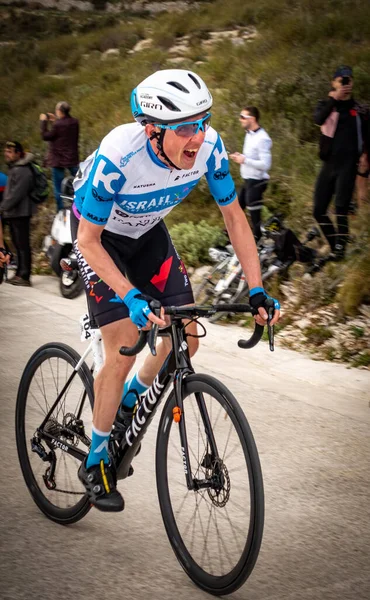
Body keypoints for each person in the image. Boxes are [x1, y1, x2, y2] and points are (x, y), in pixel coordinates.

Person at [72, 69, 280, 512]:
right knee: (126, 340)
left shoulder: (210, 148)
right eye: (185, 127)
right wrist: (129, 294)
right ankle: (95, 461)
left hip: (147, 235)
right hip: (99, 238)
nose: (197, 137)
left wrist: (257, 289)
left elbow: (235, 219)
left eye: (202, 123)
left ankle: (131, 401)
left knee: (185, 335)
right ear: (152, 129)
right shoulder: (119, 157)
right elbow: (88, 241)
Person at [313, 66, 369, 259]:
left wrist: (365, 159)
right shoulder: (326, 104)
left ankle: (340, 251)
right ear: (334, 83)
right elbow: (318, 119)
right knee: (318, 210)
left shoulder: (360, 109)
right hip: (329, 164)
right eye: (342, 80)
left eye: (349, 80)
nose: (346, 84)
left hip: (349, 164)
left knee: (341, 207)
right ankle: (335, 242)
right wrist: (334, 98)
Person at [229, 106, 272, 241]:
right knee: (236, 207)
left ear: (252, 119)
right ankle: (235, 238)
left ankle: (257, 239)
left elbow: (266, 164)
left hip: (258, 181)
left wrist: (245, 160)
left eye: (243, 117)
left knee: (253, 211)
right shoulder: (249, 134)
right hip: (248, 180)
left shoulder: (263, 138)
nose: (240, 119)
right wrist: (241, 157)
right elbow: (251, 158)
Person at [1, 141, 35, 286]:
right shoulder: (15, 168)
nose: (6, 154)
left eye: (10, 152)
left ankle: (25, 275)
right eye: (6, 151)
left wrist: (3, 206)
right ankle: (19, 273)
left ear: (18, 153)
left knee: (22, 244)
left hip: (21, 213)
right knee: (17, 244)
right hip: (15, 213)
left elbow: (16, 194)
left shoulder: (22, 170)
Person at [40, 101, 79, 212]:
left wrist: (43, 121)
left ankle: (61, 211)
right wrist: (56, 121)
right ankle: (80, 204)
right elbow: (62, 132)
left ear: (60, 111)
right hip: (72, 158)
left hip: (58, 160)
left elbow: (46, 136)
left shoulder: (58, 125)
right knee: (79, 182)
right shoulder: (75, 122)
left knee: (58, 188)